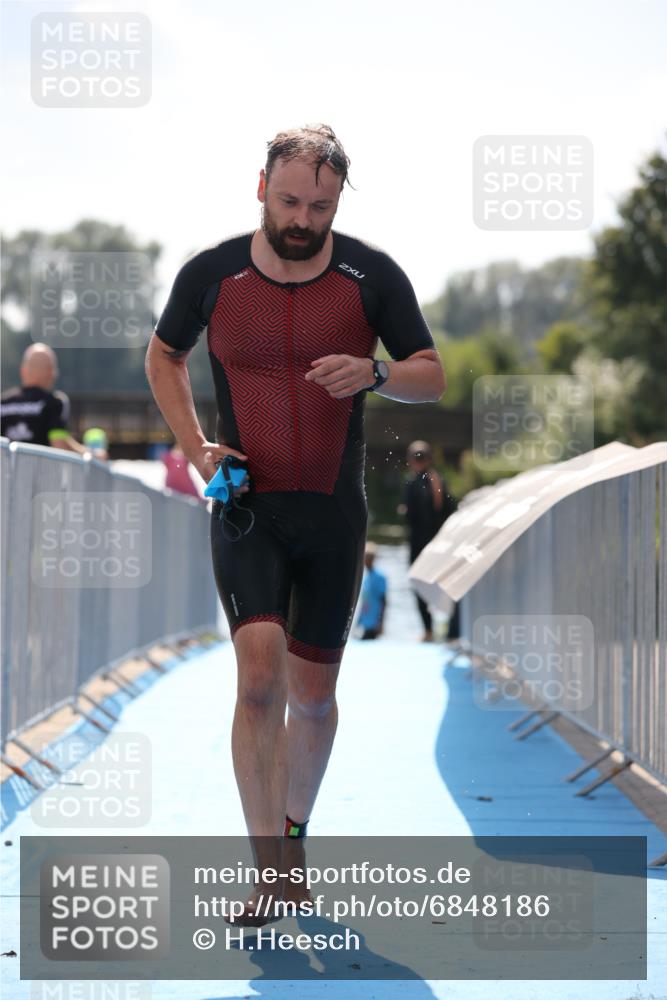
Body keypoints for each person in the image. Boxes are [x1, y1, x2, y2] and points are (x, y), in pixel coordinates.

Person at [144, 123, 446, 923]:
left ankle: (293, 836)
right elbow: (162, 356)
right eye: (288, 201)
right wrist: (194, 448)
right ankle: (268, 871)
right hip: (247, 504)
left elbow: (431, 376)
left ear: (337, 201)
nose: (302, 220)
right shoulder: (211, 274)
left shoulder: (371, 276)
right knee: (257, 683)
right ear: (260, 188)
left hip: (333, 515)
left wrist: (375, 371)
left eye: (320, 206)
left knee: (312, 699)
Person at [399, 440, 457, 641]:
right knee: (445, 583)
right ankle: (450, 630)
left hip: (423, 543)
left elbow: (413, 514)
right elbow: (449, 510)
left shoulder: (416, 482)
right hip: (438, 543)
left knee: (421, 583)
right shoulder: (437, 479)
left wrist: (404, 511)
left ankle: (431, 630)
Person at [1, 343, 88, 454]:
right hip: (41, 466)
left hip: (7, 466)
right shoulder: (54, 402)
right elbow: (59, 444)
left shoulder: (3, 402)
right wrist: (89, 454)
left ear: (22, 370)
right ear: (51, 372)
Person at [357, 542, 387, 640]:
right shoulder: (366, 577)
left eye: (368, 558)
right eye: (365, 558)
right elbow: (365, 600)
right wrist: (359, 620)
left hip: (374, 622)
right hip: (365, 621)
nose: (365, 560)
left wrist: (380, 623)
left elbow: (383, 601)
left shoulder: (379, 577)